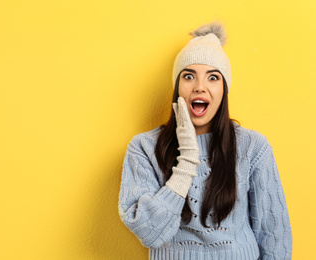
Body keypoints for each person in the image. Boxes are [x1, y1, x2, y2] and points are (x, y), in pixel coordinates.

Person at [118, 22, 292, 260]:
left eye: (213, 78)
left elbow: (274, 236)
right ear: (177, 87)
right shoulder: (143, 148)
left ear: (224, 89)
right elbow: (149, 233)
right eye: (189, 76)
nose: (200, 87)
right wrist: (187, 160)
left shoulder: (253, 147)